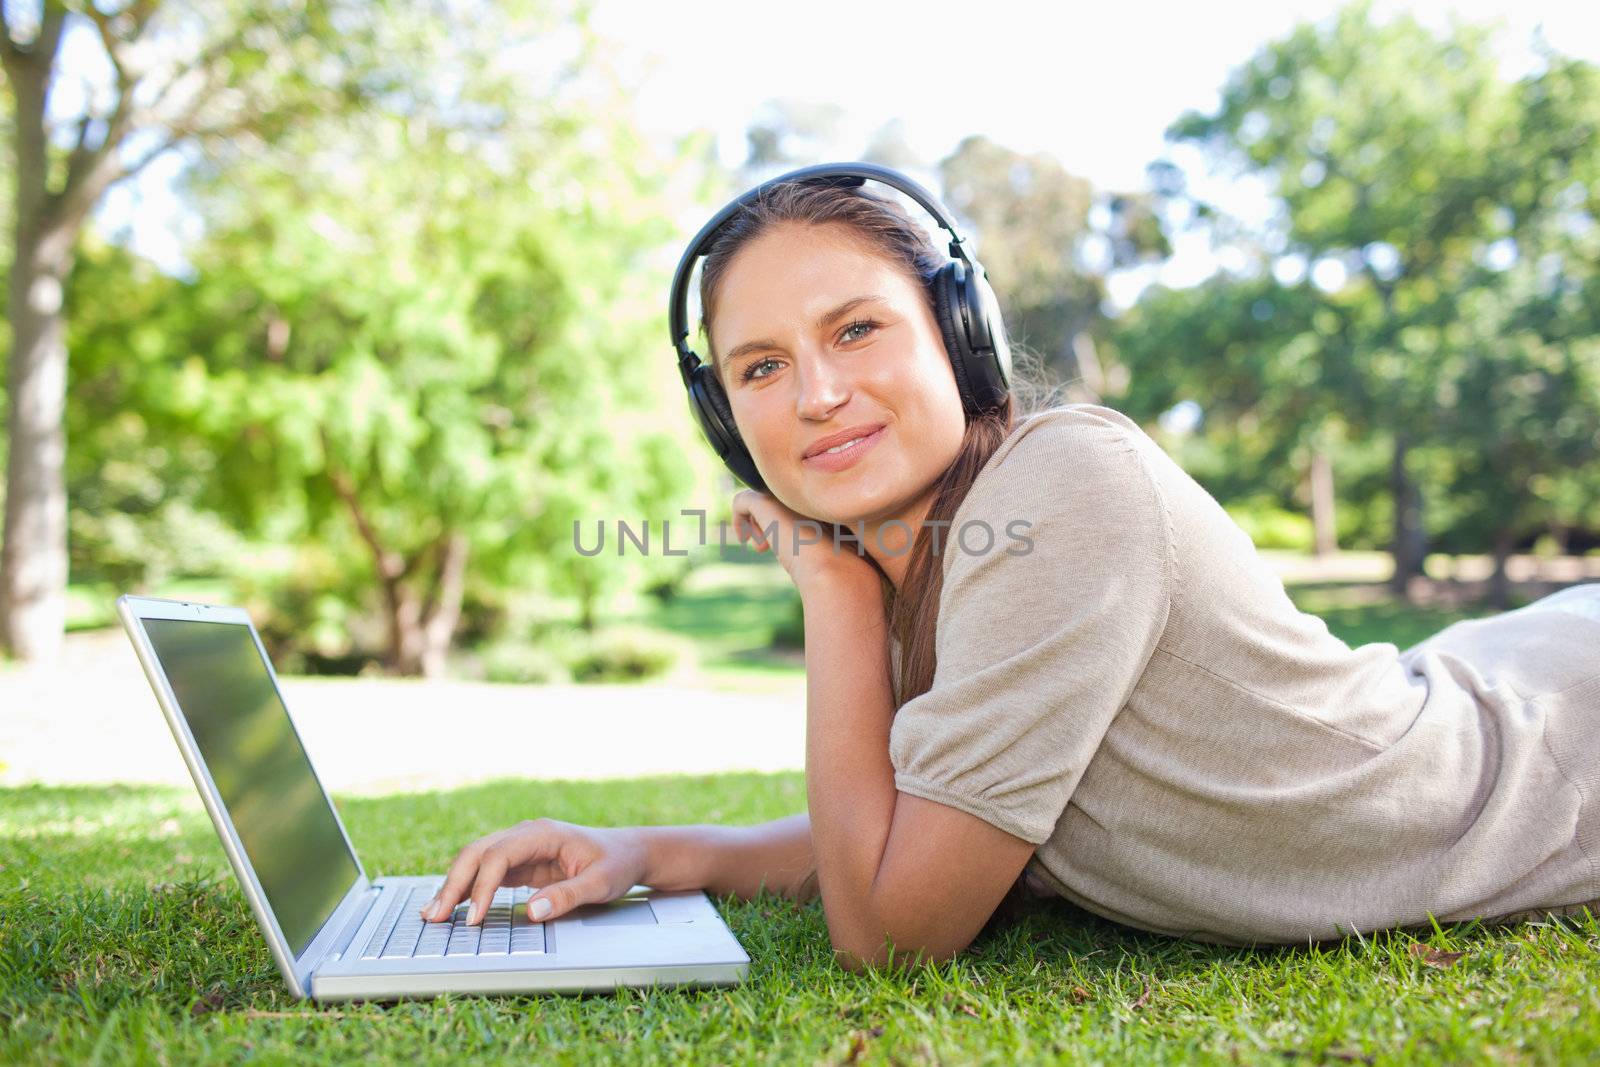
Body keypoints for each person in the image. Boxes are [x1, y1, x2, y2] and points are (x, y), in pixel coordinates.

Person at [420, 166, 1600, 968]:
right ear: (727, 419)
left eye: (855, 329)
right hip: (1479, 671)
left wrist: (828, 595)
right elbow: (922, 820)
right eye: (762, 367)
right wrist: (654, 853)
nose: (817, 394)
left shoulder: (1059, 487)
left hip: (1552, 745)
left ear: (960, 332)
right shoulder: (924, 553)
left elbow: (888, 931)